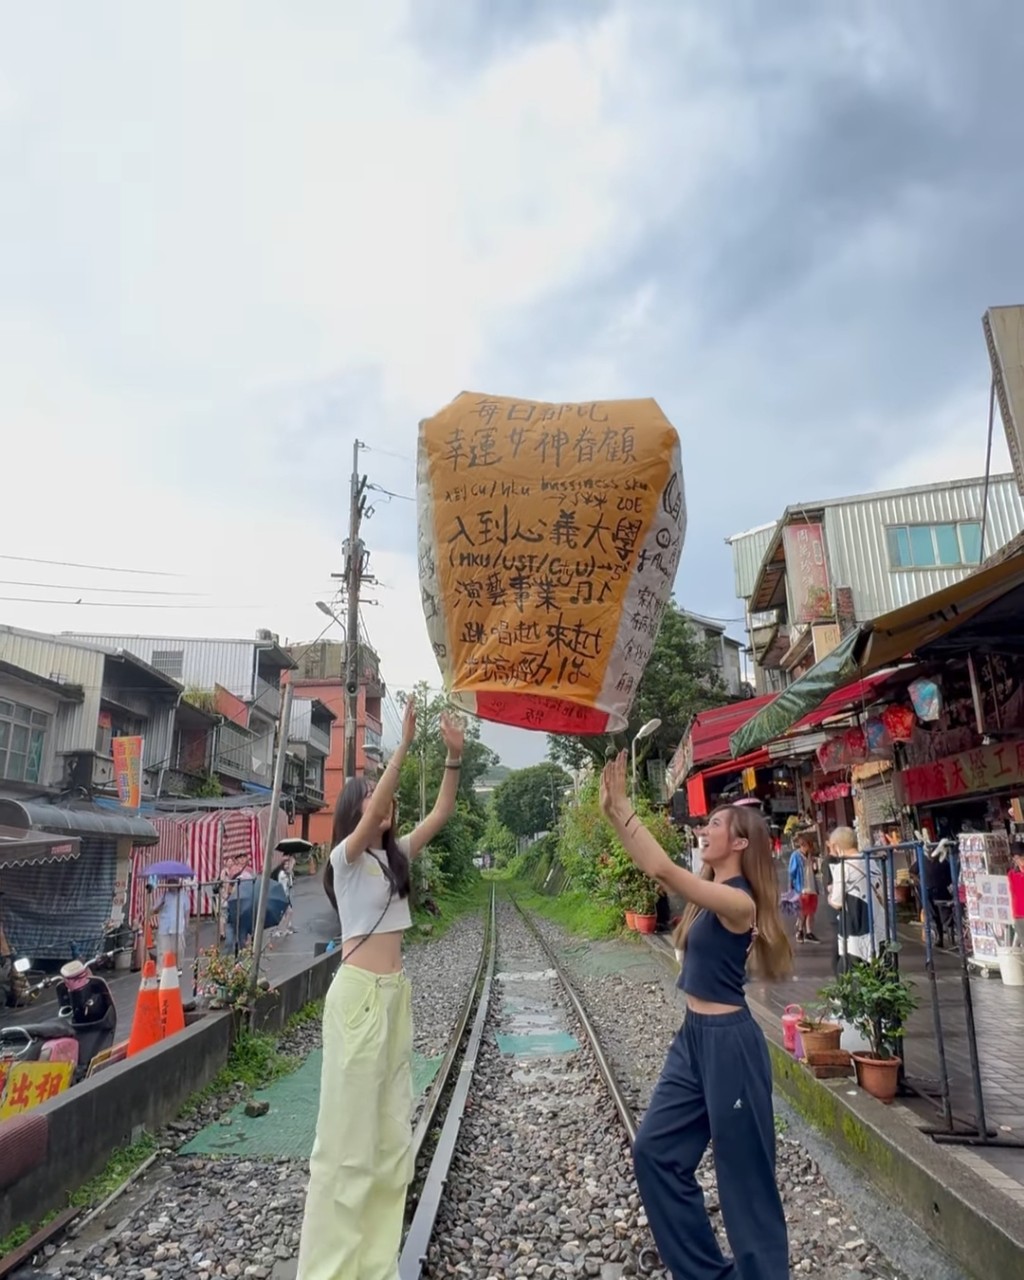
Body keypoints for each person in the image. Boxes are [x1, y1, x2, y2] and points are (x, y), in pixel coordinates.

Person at [599, 751, 791, 1280]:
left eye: (714, 825)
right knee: (655, 1154)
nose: (704, 831)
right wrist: (614, 814)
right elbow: (651, 866)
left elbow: (662, 867)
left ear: (741, 844)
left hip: (730, 1044)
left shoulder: (740, 903)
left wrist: (626, 808)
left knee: (744, 1182)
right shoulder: (709, 895)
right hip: (693, 1040)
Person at [295, 701, 464, 1280]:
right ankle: (327, 1270)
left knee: (391, 1138)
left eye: (382, 794)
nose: (382, 802)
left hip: (394, 998)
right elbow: (370, 816)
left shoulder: (395, 860)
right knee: (346, 1145)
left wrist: (454, 757)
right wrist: (404, 744)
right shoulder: (344, 859)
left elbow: (441, 812)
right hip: (359, 998)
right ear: (352, 811)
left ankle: (374, 1265)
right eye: (369, 796)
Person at [828, 826, 887, 972]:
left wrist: (830, 895)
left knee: (851, 969)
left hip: (856, 929)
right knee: (877, 968)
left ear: (836, 846)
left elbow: (837, 903)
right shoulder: (872, 861)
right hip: (878, 924)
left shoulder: (843, 868)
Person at [152, 877, 192, 999]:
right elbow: (153, 910)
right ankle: (160, 971)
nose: (171, 885)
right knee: (162, 951)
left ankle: (178, 967)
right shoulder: (164, 895)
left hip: (178, 926)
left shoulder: (183, 895)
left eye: (173, 882)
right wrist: (159, 905)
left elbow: (187, 911)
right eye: (169, 883)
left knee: (179, 949)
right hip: (165, 926)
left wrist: (187, 925)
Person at [787, 834, 821, 943]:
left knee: (811, 911)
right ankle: (800, 931)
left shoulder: (810, 856)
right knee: (802, 911)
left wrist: (815, 867)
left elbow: (813, 871)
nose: (810, 848)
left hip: (812, 887)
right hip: (801, 888)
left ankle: (809, 933)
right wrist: (791, 888)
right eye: (808, 846)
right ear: (803, 845)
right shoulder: (795, 856)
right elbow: (791, 873)